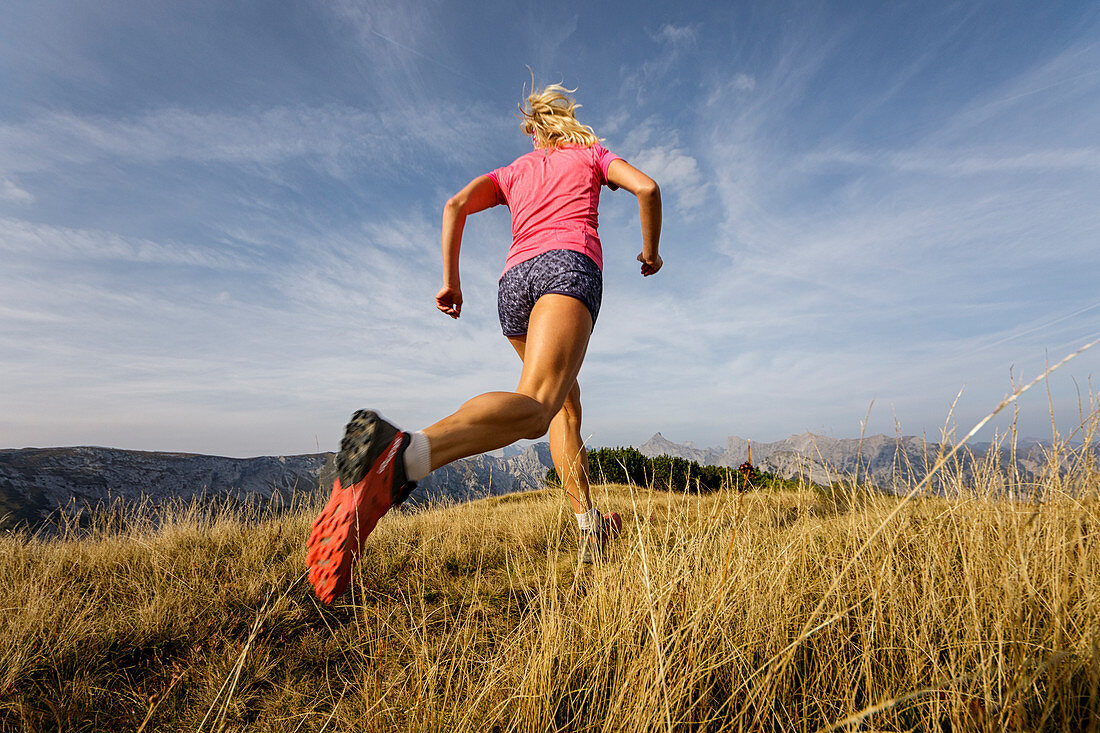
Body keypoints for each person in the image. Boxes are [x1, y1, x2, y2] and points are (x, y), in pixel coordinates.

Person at [307, 83, 662, 604]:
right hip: (567, 267)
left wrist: (451, 281)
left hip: (515, 282)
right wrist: (649, 252)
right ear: (567, 127)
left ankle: (589, 525)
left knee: (566, 405)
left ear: (535, 135)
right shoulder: (593, 156)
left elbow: (455, 205)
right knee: (538, 408)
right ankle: (402, 457)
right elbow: (648, 189)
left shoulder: (514, 172)